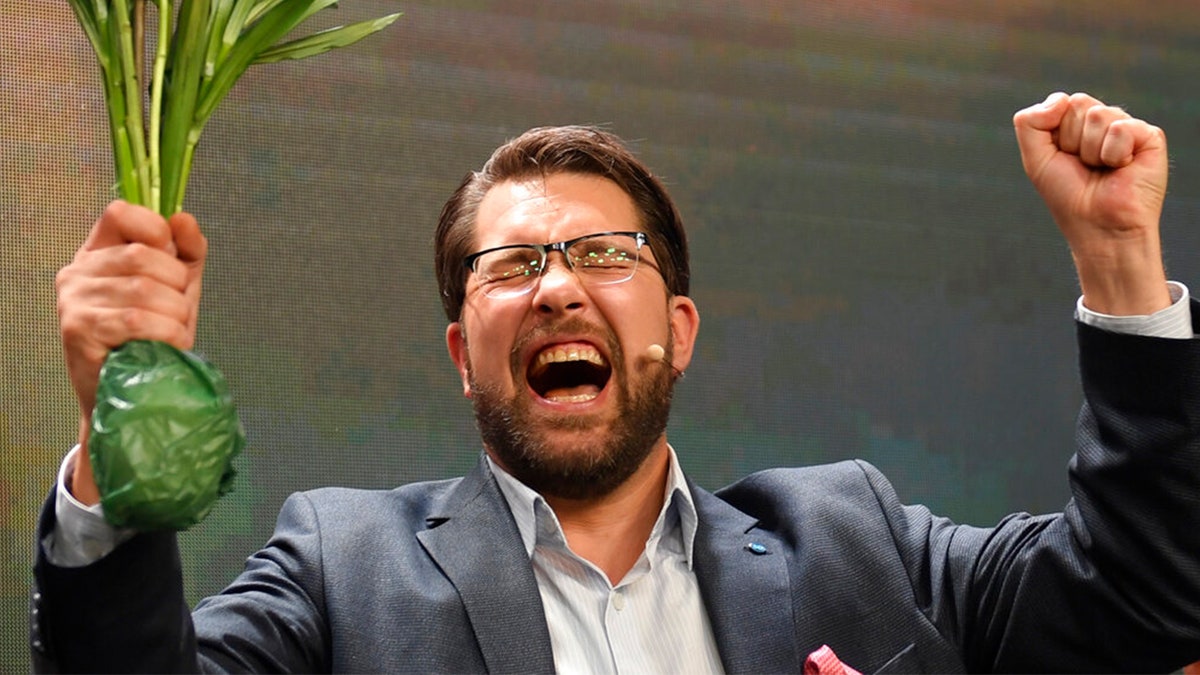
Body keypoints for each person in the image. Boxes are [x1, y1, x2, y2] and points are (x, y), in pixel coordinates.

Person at [31, 92, 1200, 673]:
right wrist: (116, 441)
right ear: (459, 353)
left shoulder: (856, 536)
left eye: (603, 255)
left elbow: (1141, 600)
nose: (555, 289)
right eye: (511, 265)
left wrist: (1120, 268)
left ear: (678, 331)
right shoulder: (342, 570)